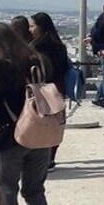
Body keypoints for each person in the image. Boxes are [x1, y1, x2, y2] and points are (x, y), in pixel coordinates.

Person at [0, 22, 51, 204]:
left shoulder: (0, 67)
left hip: (10, 134)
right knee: (35, 192)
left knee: (7, 191)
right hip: (41, 133)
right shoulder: (37, 61)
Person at [28, 12, 71, 171]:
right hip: (58, 88)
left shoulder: (35, 47)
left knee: (38, 123)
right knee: (55, 124)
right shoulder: (59, 46)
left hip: (41, 89)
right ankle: (51, 158)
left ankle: (40, 158)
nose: (30, 29)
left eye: (33, 26)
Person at [85, 2, 104, 108]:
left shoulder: (101, 19)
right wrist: (102, 47)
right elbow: (96, 33)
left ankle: (99, 98)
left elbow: (94, 32)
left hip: (103, 50)